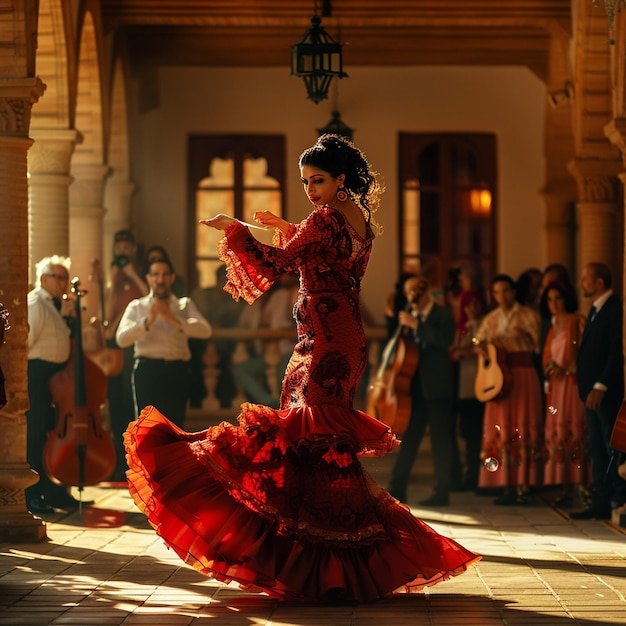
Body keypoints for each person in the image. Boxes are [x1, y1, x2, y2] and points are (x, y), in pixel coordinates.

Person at [123, 134, 479, 603]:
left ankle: (321, 562)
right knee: (320, 448)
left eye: (318, 180)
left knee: (307, 439)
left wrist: (236, 229)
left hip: (325, 341)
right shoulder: (357, 220)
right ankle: (333, 560)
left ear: (341, 179)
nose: (311, 189)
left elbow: (277, 263)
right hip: (340, 337)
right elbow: (326, 253)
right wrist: (289, 225)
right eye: (305, 181)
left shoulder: (327, 216)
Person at [387, 274, 459, 507]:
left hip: (437, 388)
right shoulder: (409, 317)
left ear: (426, 292)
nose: (411, 296)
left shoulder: (442, 315)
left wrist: (417, 325)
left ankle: (442, 491)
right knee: (409, 440)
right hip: (413, 389)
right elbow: (396, 349)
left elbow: (444, 341)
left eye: (415, 292)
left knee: (441, 441)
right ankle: (397, 487)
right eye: (408, 293)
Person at [116, 258, 212, 429]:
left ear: (172, 278)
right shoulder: (137, 307)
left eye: (165, 275)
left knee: (176, 427)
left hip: (177, 371)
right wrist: (146, 321)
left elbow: (206, 330)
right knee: (147, 429)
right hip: (147, 370)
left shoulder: (184, 305)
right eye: (156, 275)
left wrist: (174, 320)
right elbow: (121, 339)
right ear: (148, 278)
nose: (160, 280)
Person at [474, 274, 543, 505]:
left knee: (523, 422)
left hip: (523, 372)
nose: (501, 296)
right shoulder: (491, 318)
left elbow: (537, 345)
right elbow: (480, 345)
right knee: (500, 425)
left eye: (505, 291)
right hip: (498, 375)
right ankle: (505, 483)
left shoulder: (529, 315)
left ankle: (525, 484)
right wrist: (483, 348)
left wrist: (514, 338)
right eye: (496, 292)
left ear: (513, 292)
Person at [25, 256, 82, 513]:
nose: (63, 283)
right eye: (58, 277)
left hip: (54, 376)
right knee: (36, 434)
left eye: (65, 278)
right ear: (44, 278)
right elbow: (27, 342)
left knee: (49, 435)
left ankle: (53, 492)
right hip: (38, 373)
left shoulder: (55, 304)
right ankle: (33, 495)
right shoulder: (36, 303)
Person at [570, 263, 626, 520]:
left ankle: (617, 498)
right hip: (589, 393)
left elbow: (616, 351)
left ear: (599, 283)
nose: (582, 283)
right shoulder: (595, 309)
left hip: (605, 393)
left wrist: (600, 386)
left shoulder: (614, 309)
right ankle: (600, 500)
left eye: (586, 279)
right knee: (597, 447)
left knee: (609, 444)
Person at [540, 281, 589, 505]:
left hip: (572, 382)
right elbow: (547, 356)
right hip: (556, 385)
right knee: (558, 431)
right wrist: (551, 367)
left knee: (575, 427)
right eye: (549, 299)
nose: (553, 304)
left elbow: (584, 353)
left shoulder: (576, 320)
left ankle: (583, 483)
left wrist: (566, 368)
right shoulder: (552, 326)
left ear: (566, 298)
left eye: (557, 298)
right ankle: (565, 485)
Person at [105, 229, 149, 482]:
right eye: (118, 245)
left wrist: (133, 274)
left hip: (137, 340)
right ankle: (117, 460)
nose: (121, 250)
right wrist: (112, 281)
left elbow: (147, 300)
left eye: (125, 245)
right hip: (117, 344)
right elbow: (109, 311)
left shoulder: (141, 273)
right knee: (117, 399)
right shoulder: (116, 276)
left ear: (133, 247)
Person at [233, 272, 298, 408]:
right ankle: (268, 402)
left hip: (285, 350)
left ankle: (286, 407)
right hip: (263, 353)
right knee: (242, 370)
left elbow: (284, 322)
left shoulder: (282, 296)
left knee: (284, 371)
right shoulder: (253, 305)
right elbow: (242, 325)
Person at [449, 262, 486, 491]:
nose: (470, 308)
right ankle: (470, 473)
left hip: (478, 384)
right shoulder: (463, 327)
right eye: (467, 305)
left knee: (476, 433)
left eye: (474, 304)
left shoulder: (483, 325)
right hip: (464, 385)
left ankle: (476, 475)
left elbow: (479, 349)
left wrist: (462, 352)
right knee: (467, 432)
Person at [190, 264, 247, 409]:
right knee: (196, 373)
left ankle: (225, 403)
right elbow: (194, 315)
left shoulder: (235, 302)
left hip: (224, 347)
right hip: (199, 344)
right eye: (223, 280)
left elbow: (237, 323)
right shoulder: (202, 295)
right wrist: (208, 325)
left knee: (226, 373)